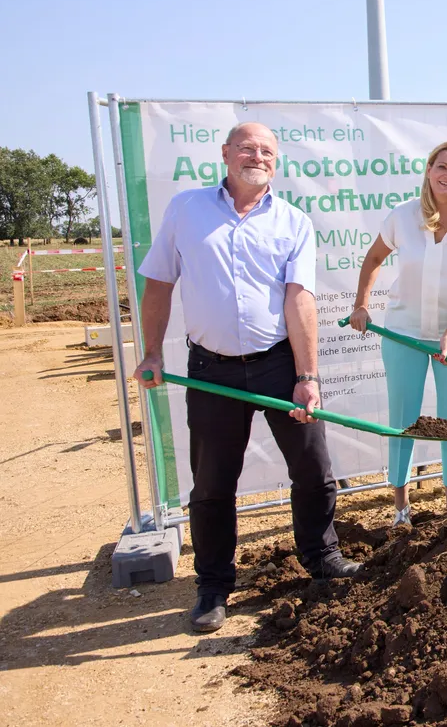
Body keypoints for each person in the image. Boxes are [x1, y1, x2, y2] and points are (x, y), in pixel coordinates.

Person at [134, 122, 360, 635]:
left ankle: (322, 558)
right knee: (212, 484)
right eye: (246, 148)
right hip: (212, 369)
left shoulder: (292, 221)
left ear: (275, 162)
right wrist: (150, 351)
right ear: (225, 154)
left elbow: (299, 299)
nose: (255, 156)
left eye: (266, 151)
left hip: (278, 364)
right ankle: (213, 587)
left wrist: (308, 376)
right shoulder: (186, 210)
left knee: (314, 467)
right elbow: (159, 283)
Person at [348, 142, 447, 524]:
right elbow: (374, 259)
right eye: (442, 167)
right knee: (403, 418)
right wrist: (361, 304)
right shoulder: (403, 217)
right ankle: (401, 509)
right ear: (429, 170)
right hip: (404, 335)